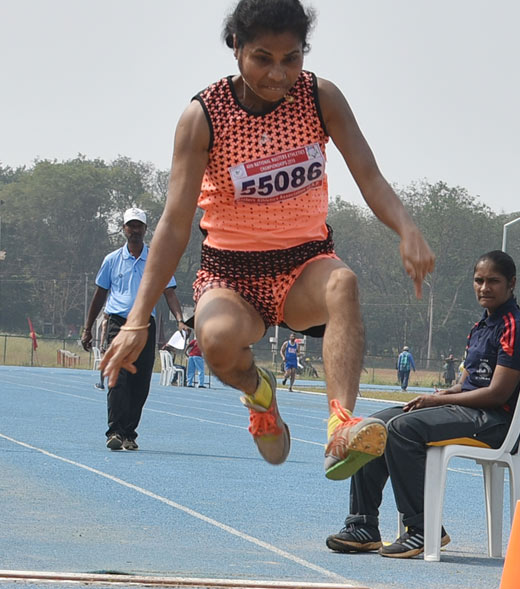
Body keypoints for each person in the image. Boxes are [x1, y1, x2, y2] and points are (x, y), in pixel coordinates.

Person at [101, 0, 434, 482]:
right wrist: (136, 320)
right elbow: (174, 223)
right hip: (230, 276)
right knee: (213, 343)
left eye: (291, 59)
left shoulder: (320, 98)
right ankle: (260, 395)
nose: (279, 74)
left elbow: (369, 176)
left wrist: (408, 228)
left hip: (304, 265)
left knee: (344, 283)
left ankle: (340, 427)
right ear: (235, 47)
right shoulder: (204, 117)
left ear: (304, 53)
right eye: (263, 58)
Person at [326, 251, 520, 558]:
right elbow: (467, 384)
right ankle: (363, 525)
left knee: (403, 429)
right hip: (467, 409)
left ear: (511, 284)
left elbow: (497, 393)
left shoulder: (513, 325)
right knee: (374, 426)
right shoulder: (481, 327)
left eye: (493, 281)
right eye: (479, 280)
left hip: (495, 422)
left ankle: (421, 529)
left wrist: (437, 400)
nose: (484, 287)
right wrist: (442, 395)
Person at [81, 207, 186, 451]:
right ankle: (114, 431)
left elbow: (169, 293)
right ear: (124, 229)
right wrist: (87, 329)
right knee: (118, 378)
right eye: (131, 225)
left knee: (140, 382)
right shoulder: (111, 260)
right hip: (118, 324)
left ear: (145, 230)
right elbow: (99, 295)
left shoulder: (157, 259)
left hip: (145, 325)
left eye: (139, 226)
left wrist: (180, 319)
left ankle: (129, 433)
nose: (135, 230)